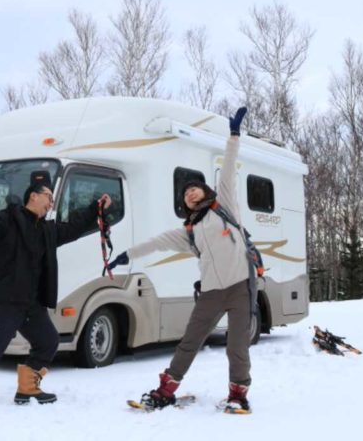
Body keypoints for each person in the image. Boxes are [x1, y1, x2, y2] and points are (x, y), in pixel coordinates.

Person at [107, 107, 255, 413]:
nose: (190, 193)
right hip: (212, 292)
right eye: (186, 192)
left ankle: (238, 394)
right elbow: (157, 242)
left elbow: (228, 168)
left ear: (206, 190)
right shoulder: (190, 230)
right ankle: (166, 389)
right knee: (189, 342)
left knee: (236, 346)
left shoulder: (223, 206)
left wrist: (234, 136)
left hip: (240, 286)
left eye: (195, 188)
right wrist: (127, 254)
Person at [0, 173, 112, 404]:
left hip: (30, 303)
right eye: (48, 196)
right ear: (33, 196)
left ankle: (28, 386)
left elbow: (74, 227)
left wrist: (96, 209)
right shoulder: (7, 219)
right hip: (3, 299)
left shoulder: (47, 230)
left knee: (48, 341)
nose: (50, 202)